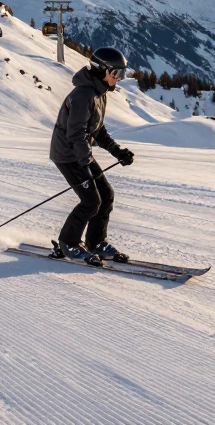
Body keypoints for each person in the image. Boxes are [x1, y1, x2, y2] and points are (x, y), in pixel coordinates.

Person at [49, 47, 135, 266]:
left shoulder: (98, 93)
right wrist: (85, 162)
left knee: (106, 195)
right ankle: (68, 242)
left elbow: (97, 130)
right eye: (116, 73)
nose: (119, 79)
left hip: (80, 153)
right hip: (68, 155)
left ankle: (96, 242)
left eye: (122, 74)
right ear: (101, 69)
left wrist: (118, 152)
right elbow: (76, 134)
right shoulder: (83, 95)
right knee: (91, 201)